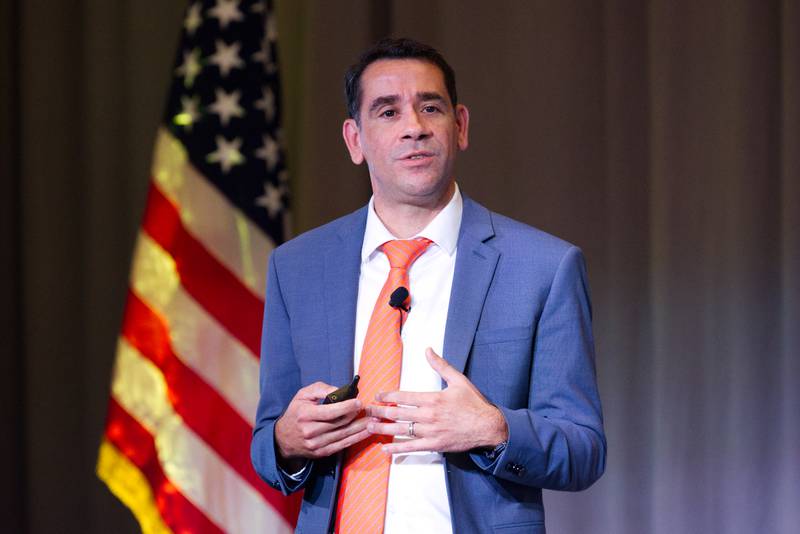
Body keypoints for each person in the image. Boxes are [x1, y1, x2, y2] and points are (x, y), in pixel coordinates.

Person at [251, 37, 605, 534]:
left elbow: (583, 449)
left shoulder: (544, 267)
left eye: (430, 107)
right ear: (355, 140)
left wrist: (493, 429)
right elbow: (269, 444)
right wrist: (288, 441)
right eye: (388, 112)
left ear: (459, 126)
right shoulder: (298, 267)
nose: (413, 128)